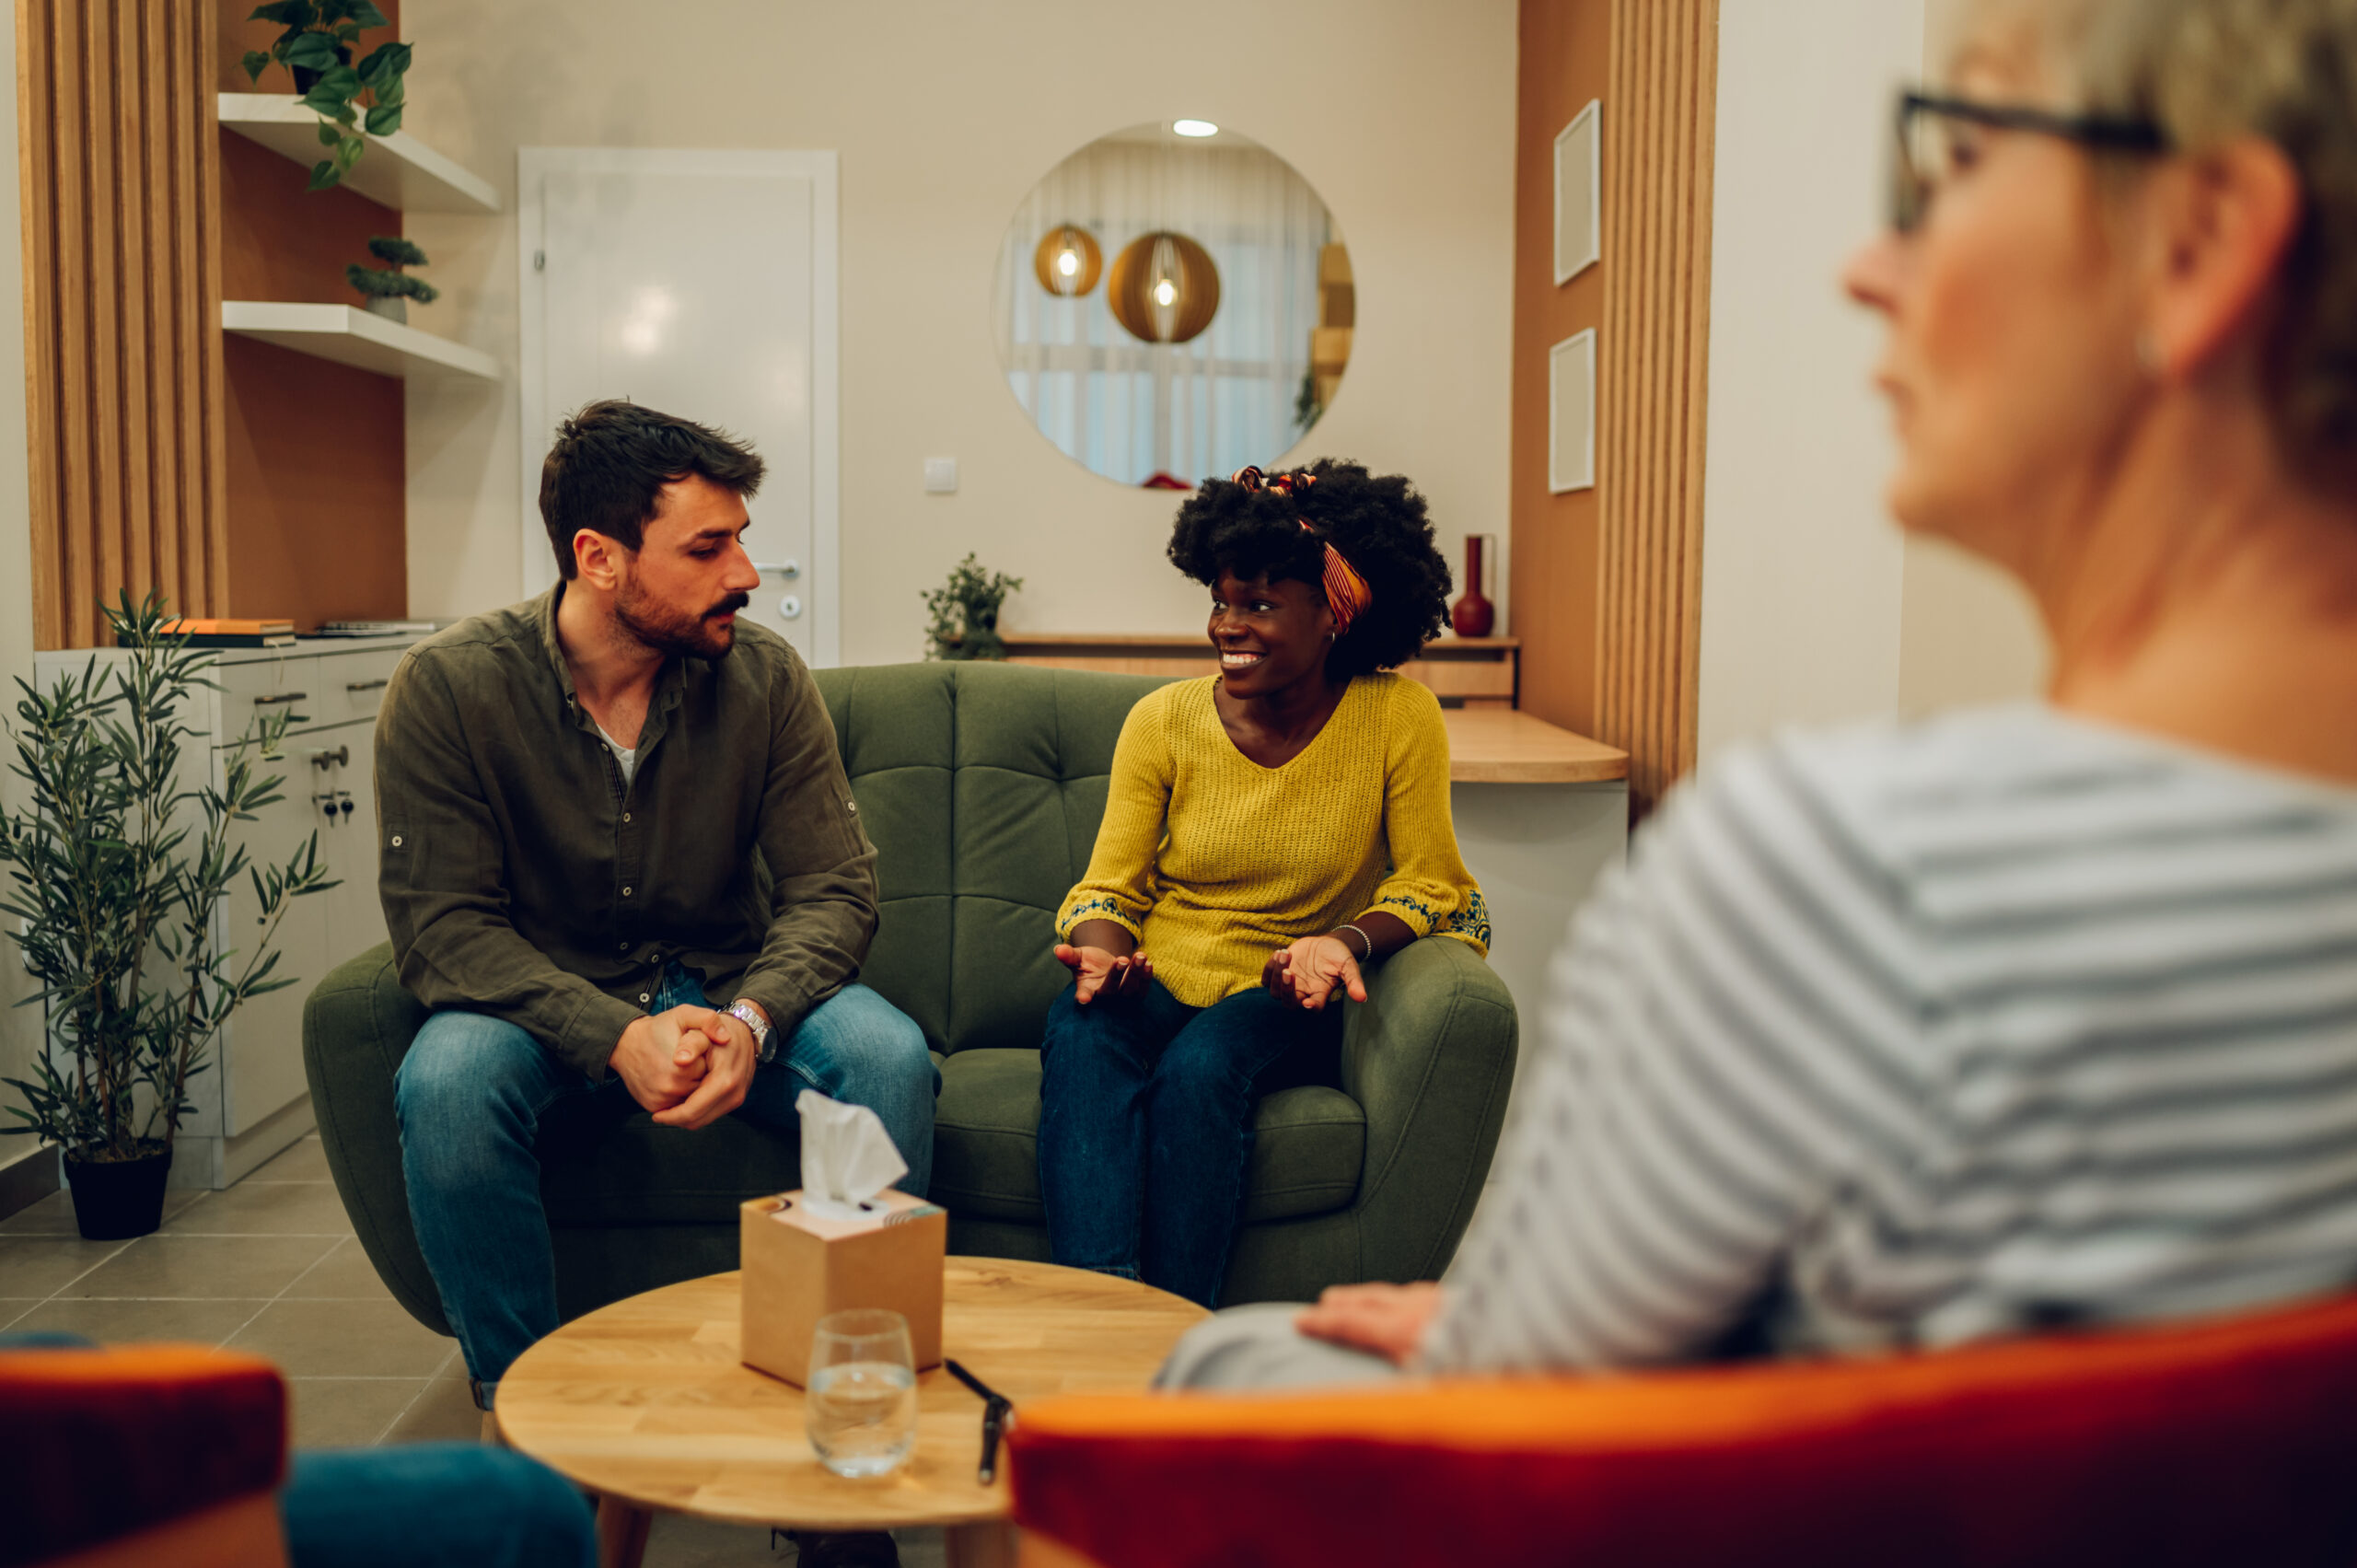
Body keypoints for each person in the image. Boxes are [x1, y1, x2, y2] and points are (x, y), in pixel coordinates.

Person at [1164, 0, 2357, 1388]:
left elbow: (1518, 1431)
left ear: (2197, 243)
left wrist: (1494, 1341)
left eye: (1950, 162)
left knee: (1232, 1365)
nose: (1868, 266)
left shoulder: (1838, 878)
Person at [377, 401, 935, 1410]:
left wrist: (751, 1020)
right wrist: (608, 1034)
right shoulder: (450, 687)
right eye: (708, 547)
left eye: (742, 540)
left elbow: (833, 887)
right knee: (448, 1080)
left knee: (886, 1055)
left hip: (728, 974)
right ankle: (525, 1407)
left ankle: (845, 1384)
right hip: (545, 999)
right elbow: (444, 927)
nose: (746, 575)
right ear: (599, 557)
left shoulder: (764, 678)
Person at [1040, 460, 1492, 1308]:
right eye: (1220, 601)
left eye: (1259, 604)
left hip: (1289, 987)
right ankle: (1100, 1316)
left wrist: (1340, 943)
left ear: (1333, 615)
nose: (1227, 626)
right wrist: (1104, 955)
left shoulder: (1398, 716)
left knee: (1205, 1065)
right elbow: (1109, 888)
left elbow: (1433, 883)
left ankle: (1176, 1327)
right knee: (1082, 1023)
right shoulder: (1163, 721)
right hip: (1168, 968)